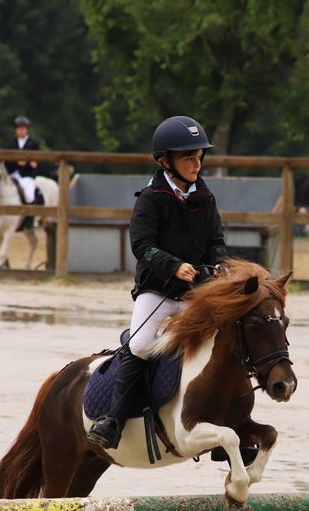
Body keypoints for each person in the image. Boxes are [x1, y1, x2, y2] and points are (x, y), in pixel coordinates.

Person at [86, 115, 229, 450]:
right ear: (166, 161)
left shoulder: (205, 198)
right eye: (188, 158)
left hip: (196, 293)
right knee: (139, 346)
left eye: (199, 157)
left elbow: (217, 242)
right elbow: (142, 245)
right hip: (157, 292)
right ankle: (114, 422)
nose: (196, 164)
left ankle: (227, 417)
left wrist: (220, 265)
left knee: (225, 342)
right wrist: (173, 266)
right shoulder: (151, 197)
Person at [6, 115, 41, 205]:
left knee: (29, 195)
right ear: (16, 130)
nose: (21, 131)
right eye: (19, 128)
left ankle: (29, 215)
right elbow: (7, 161)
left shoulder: (33, 143)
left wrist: (30, 163)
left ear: (27, 130)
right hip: (12, 173)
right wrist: (17, 163)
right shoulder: (10, 144)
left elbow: (37, 162)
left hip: (27, 175)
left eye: (23, 128)